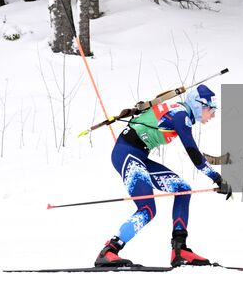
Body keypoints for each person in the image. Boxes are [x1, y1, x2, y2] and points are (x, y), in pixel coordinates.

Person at [94, 84, 232, 268]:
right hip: (126, 153)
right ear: (199, 105)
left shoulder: (181, 113)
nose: (213, 115)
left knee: (183, 190)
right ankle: (109, 251)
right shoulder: (180, 115)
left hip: (139, 156)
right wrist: (217, 178)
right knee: (147, 208)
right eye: (211, 109)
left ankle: (179, 250)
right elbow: (193, 152)